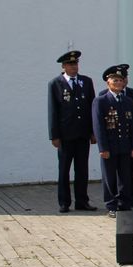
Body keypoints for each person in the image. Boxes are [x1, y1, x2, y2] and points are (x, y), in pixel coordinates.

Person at [48, 50, 97, 213]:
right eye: (70, 64)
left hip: (82, 133)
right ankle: (64, 202)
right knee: (64, 170)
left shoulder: (86, 82)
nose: (73, 67)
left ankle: (82, 201)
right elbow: (53, 111)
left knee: (82, 169)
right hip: (65, 135)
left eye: (75, 63)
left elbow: (92, 109)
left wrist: (93, 132)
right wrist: (54, 135)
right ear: (63, 66)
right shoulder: (56, 83)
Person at [92, 66, 133, 217]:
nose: (118, 82)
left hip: (125, 145)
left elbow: (132, 125)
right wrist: (102, 147)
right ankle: (111, 205)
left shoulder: (127, 101)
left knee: (125, 176)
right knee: (109, 176)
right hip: (109, 146)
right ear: (108, 82)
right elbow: (99, 126)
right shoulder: (101, 101)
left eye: (120, 80)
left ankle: (125, 203)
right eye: (115, 80)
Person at [113, 64, 133, 208]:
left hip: (130, 138)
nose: (123, 81)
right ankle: (117, 198)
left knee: (131, 169)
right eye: (119, 78)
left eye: (124, 78)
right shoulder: (104, 95)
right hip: (114, 140)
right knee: (116, 171)